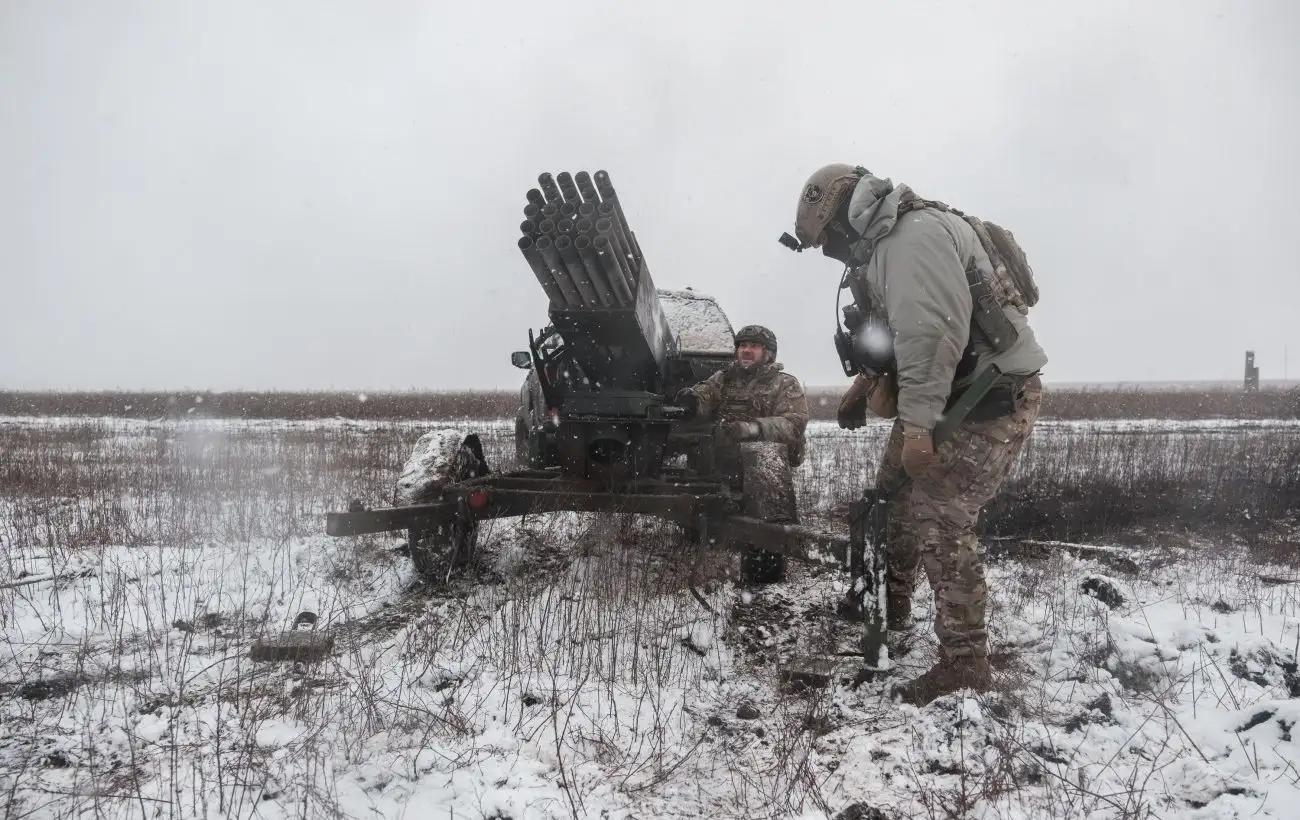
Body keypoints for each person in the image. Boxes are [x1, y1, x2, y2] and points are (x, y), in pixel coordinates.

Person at [789, 163, 1048, 706]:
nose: (834, 254)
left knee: (939, 513)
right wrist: (866, 386)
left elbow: (932, 337)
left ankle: (964, 663)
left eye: (829, 242)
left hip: (986, 401)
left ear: (840, 215)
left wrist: (918, 430)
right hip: (948, 395)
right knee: (891, 497)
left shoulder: (911, 239)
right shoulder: (889, 241)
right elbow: (903, 334)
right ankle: (890, 607)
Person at [676, 324, 810, 585]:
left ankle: (765, 559)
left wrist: (754, 428)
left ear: (768, 354)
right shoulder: (724, 377)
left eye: (754, 346)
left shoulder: (785, 383)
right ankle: (704, 531)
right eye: (742, 346)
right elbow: (705, 393)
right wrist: (691, 400)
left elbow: (794, 423)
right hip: (725, 458)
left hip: (764, 459)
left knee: (764, 540)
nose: (746, 351)